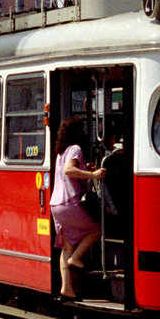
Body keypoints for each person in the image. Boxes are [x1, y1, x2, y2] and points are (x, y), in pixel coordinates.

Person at [50, 117, 106, 298]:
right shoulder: (75, 148)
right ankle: (76, 258)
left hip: (56, 204)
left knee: (66, 246)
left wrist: (85, 168)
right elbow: (69, 170)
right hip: (70, 201)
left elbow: (70, 170)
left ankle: (67, 288)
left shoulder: (61, 151)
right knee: (96, 230)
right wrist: (94, 174)